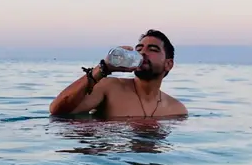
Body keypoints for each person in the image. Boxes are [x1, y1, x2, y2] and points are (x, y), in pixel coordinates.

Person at [49, 29, 188, 118]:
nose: (142, 53)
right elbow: (57, 111)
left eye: (152, 49)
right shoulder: (110, 88)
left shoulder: (177, 110)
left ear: (168, 64)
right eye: (139, 49)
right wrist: (103, 69)